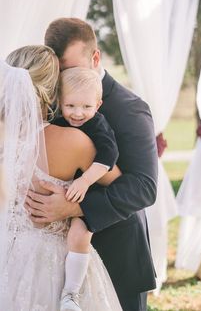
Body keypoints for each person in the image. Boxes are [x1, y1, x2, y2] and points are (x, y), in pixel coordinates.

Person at [26, 17, 158, 311]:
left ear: (94, 57)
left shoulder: (130, 109)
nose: (63, 78)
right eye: (57, 70)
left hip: (117, 254)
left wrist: (75, 206)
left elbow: (143, 188)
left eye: (70, 68)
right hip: (54, 259)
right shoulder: (53, 99)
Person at [0, 45, 122, 311]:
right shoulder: (74, 141)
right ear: (54, 92)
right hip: (54, 263)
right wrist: (77, 203)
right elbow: (117, 182)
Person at [53, 66, 120, 309]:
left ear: (98, 105)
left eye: (86, 107)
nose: (78, 113)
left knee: (79, 234)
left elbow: (109, 155)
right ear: (60, 101)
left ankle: (71, 294)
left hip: (90, 186)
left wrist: (85, 181)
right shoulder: (56, 119)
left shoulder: (98, 124)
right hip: (66, 184)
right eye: (70, 106)